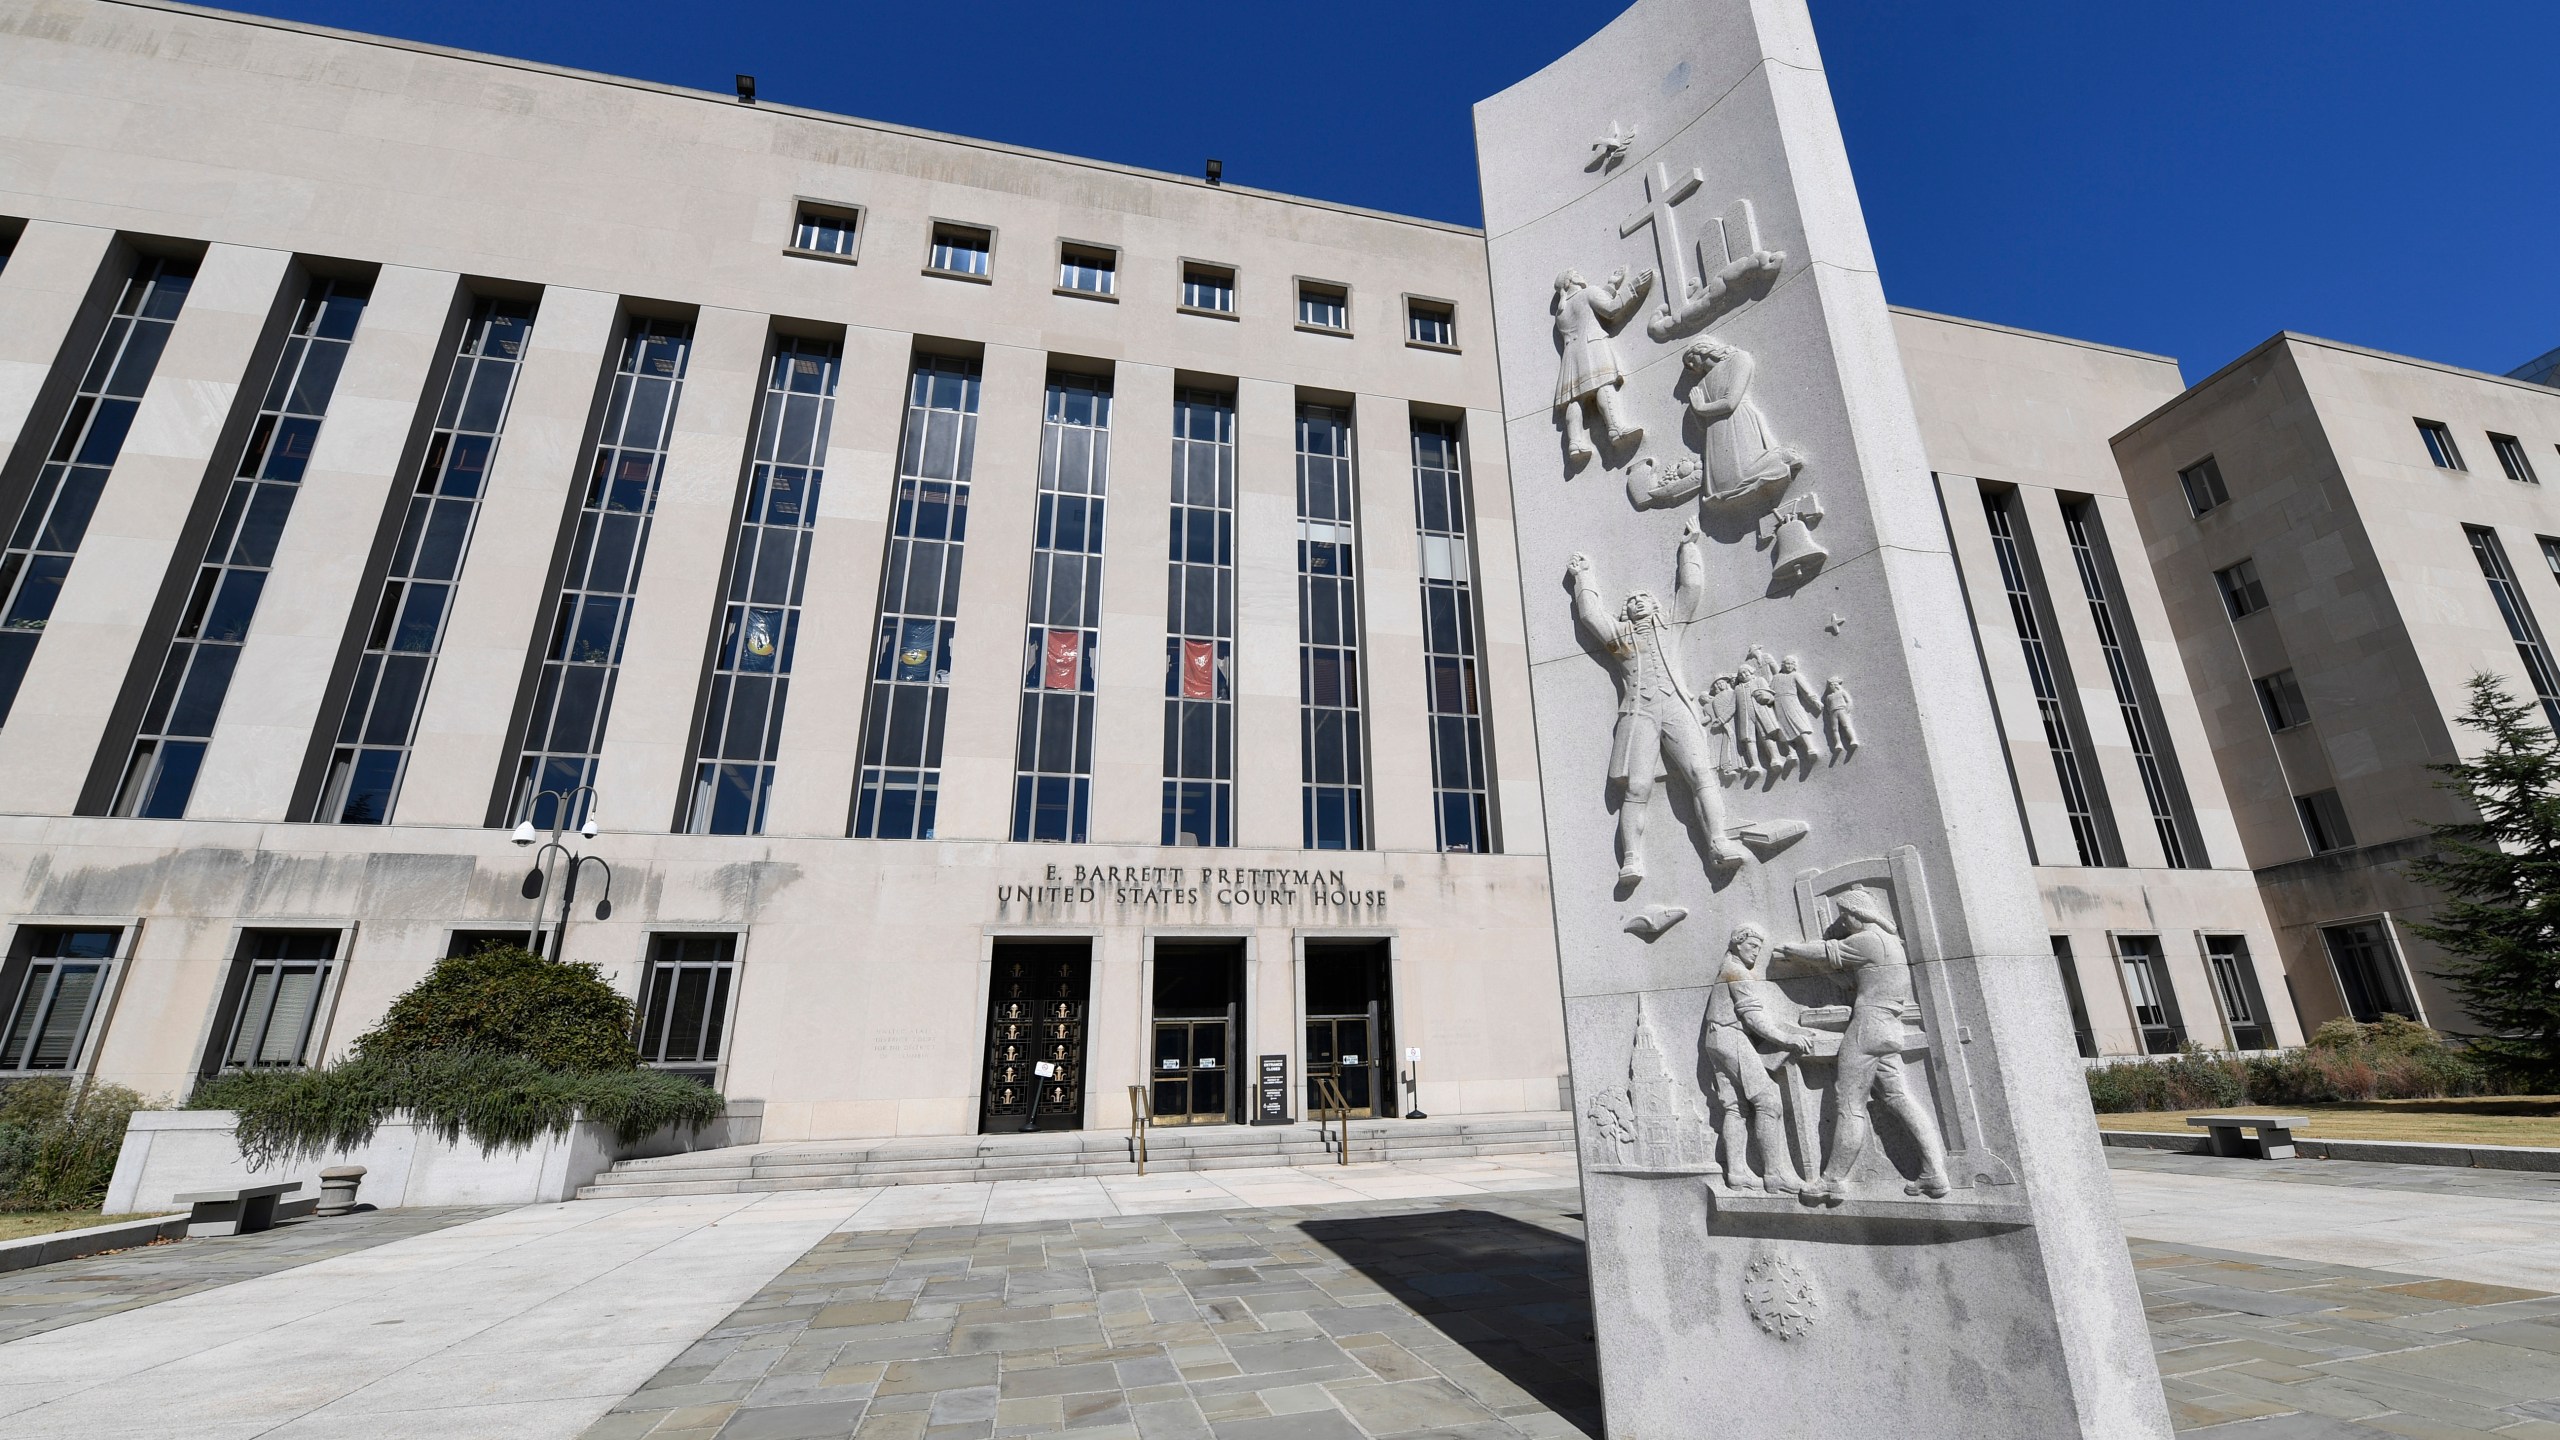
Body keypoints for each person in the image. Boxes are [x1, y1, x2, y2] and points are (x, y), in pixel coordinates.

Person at [1566, 520, 1747, 882]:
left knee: (1701, 774)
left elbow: (1690, 588)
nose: (1636, 602)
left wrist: (1689, 548)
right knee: (1636, 788)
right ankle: (1631, 859)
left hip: (1676, 705)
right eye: (1630, 601)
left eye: (1643, 598)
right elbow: (1591, 616)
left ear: (1655, 605)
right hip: (1639, 713)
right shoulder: (1621, 641)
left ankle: (1718, 841)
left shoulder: (1671, 628)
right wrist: (1583, 577)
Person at [1775, 886, 1950, 1204]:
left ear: (1860, 914)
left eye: (1846, 916)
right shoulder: (1892, 945)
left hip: (1866, 1030)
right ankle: (1934, 1173)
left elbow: (1826, 952)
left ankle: (1832, 1181)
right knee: (1899, 1098)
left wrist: (1792, 950)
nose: (1843, 922)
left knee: (1849, 1105)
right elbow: (1848, 977)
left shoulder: (1868, 939)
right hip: (1889, 1029)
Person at [1702, 923, 1820, 1194]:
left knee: (1735, 1107)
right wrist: (1786, 1038)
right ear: (1736, 943)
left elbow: (1757, 1016)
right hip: (1730, 1036)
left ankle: (1737, 1174)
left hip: (1717, 1038)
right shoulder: (1736, 972)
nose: (1756, 952)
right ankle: (1774, 1175)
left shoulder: (1728, 969)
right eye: (1752, 946)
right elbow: (1753, 1016)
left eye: (1759, 948)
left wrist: (1783, 1031)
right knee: (1768, 1101)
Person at [1552, 266, 1653, 465]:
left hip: (1572, 354)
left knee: (1576, 398)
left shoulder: (1560, 312)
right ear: (1570, 281)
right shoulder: (1588, 293)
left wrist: (1611, 285)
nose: (1580, 274)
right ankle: (1615, 429)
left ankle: (1575, 442)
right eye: (1575, 273)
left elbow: (1587, 307)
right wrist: (1634, 286)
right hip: (1592, 346)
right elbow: (1610, 308)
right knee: (1602, 385)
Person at [1823, 677, 1858, 754]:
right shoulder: (1829, 697)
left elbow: (1849, 701)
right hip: (1833, 712)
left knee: (1846, 725)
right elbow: (1828, 706)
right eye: (1830, 685)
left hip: (1842, 710)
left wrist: (1846, 711)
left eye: (1832, 685)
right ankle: (1838, 743)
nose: (1831, 687)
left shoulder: (1842, 692)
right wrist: (1830, 713)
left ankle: (1853, 739)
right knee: (1835, 729)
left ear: (1835, 685)